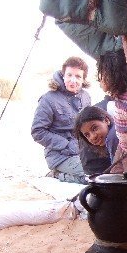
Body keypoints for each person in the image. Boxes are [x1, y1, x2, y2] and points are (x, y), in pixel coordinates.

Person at [31, 56, 91, 184]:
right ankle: (58, 175)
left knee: (105, 171)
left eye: (78, 76)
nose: (73, 80)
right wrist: (67, 145)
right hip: (60, 156)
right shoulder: (48, 99)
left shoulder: (86, 97)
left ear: (83, 79)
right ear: (63, 75)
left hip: (83, 152)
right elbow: (38, 132)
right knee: (92, 176)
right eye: (69, 75)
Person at [97, 49, 127, 174]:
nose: (99, 80)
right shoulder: (119, 98)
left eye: (102, 75)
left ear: (112, 75)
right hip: (123, 150)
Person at [75, 105, 118, 175]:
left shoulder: (112, 138)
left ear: (106, 121)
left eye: (94, 128)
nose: (92, 137)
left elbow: (117, 175)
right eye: (87, 135)